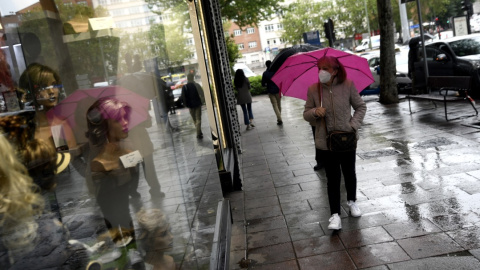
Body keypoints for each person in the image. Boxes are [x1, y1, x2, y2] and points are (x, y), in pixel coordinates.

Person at [303, 56, 366, 231]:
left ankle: (352, 202)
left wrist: (352, 126)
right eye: (319, 68)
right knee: (332, 178)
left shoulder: (348, 85)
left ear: (335, 70)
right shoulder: (314, 90)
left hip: (347, 139)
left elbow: (361, 106)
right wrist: (315, 111)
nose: (321, 71)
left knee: (349, 172)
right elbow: (306, 113)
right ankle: (335, 214)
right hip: (326, 141)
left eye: (326, 68)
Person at [85, 97, 139, 234]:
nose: (125, 123)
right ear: (104, 127)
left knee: (127, 223)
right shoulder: (99, 163)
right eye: (117, 120)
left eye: (125, 118)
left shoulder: (129, 153)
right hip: (113, 215)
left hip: (126, 212)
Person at [19, 63, 77, 151]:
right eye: (43, 87)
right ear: (30, 92)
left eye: (54, 85)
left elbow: (69, 158)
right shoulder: (25, 130)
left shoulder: (59, 125)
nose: (51, 91)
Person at [181, 73, 205, 139]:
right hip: (197, 104)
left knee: (194, 120)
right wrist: (202, 101)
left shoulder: (184, 87)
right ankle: (199, 132)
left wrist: (186, 105)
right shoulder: (197, 85)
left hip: (190, 106)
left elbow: (183, 97)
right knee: (198, 119)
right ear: (193, 78)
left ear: (187, 79)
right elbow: (202, 94)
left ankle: (198, 132)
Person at [262, 60, 282, 125]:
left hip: (270, 91)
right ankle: (279, 118)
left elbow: (263, 84)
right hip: (278, 90)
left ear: (266, 65)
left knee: (274, 105)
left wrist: (267, 84)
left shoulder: (265, 73)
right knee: (279, 104)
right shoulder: (276, 71)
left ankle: (279, 119)